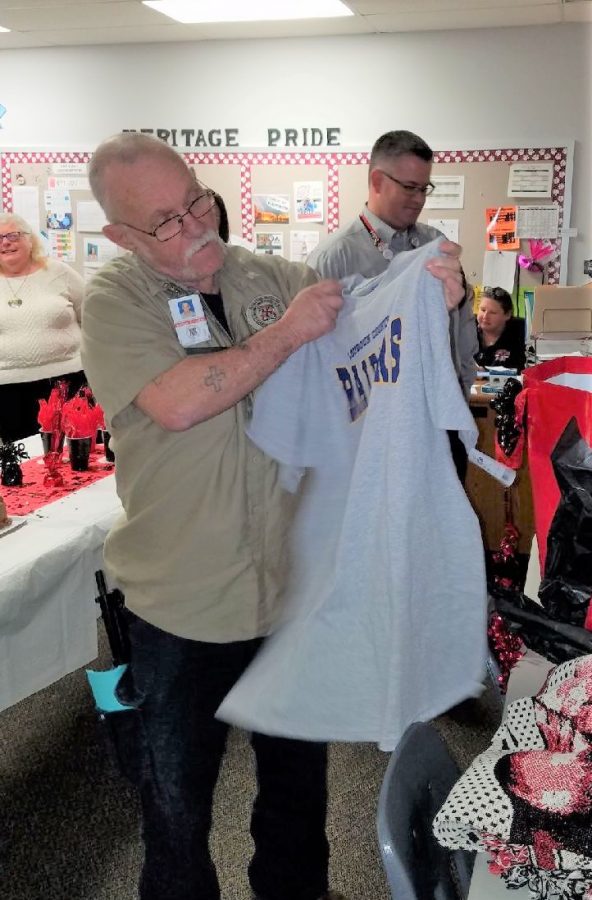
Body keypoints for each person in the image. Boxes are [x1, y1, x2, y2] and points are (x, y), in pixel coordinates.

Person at [82, 132, 348, 900]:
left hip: (287, 590)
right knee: (175, 806)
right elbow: (177, 402)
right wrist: (287, 332)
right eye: (165, 220)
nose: (196, 223)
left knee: (299, 790)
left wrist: (426, 284)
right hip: (183, 604)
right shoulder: (113, 300)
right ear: (120, 236)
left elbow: (352, 308)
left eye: (196, 199)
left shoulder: (265, 275)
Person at [307, 130, 479, 481]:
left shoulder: (437, 246)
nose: (418, 200)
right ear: (377, 181)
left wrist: (460, 392)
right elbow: (315, 357)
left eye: (424, 189)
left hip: (436, 422)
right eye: (409, 187)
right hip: (368, 436)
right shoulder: (333, 259)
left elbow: (460, 329)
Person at [0, 213, 86, 443]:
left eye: (12, 235)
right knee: (24, 465)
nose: (5, 242)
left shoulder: (59, 272)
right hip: (8, 391)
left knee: (76, 456)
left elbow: (92, 319)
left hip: (69, 380)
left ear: (30, 240)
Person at [475, 286, 526, 372]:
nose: (485, 316)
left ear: (507, 315)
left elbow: (519, 368)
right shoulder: (467, 328)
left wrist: (484, 371)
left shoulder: (520, 330)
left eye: (492, 313)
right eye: (483, 310)